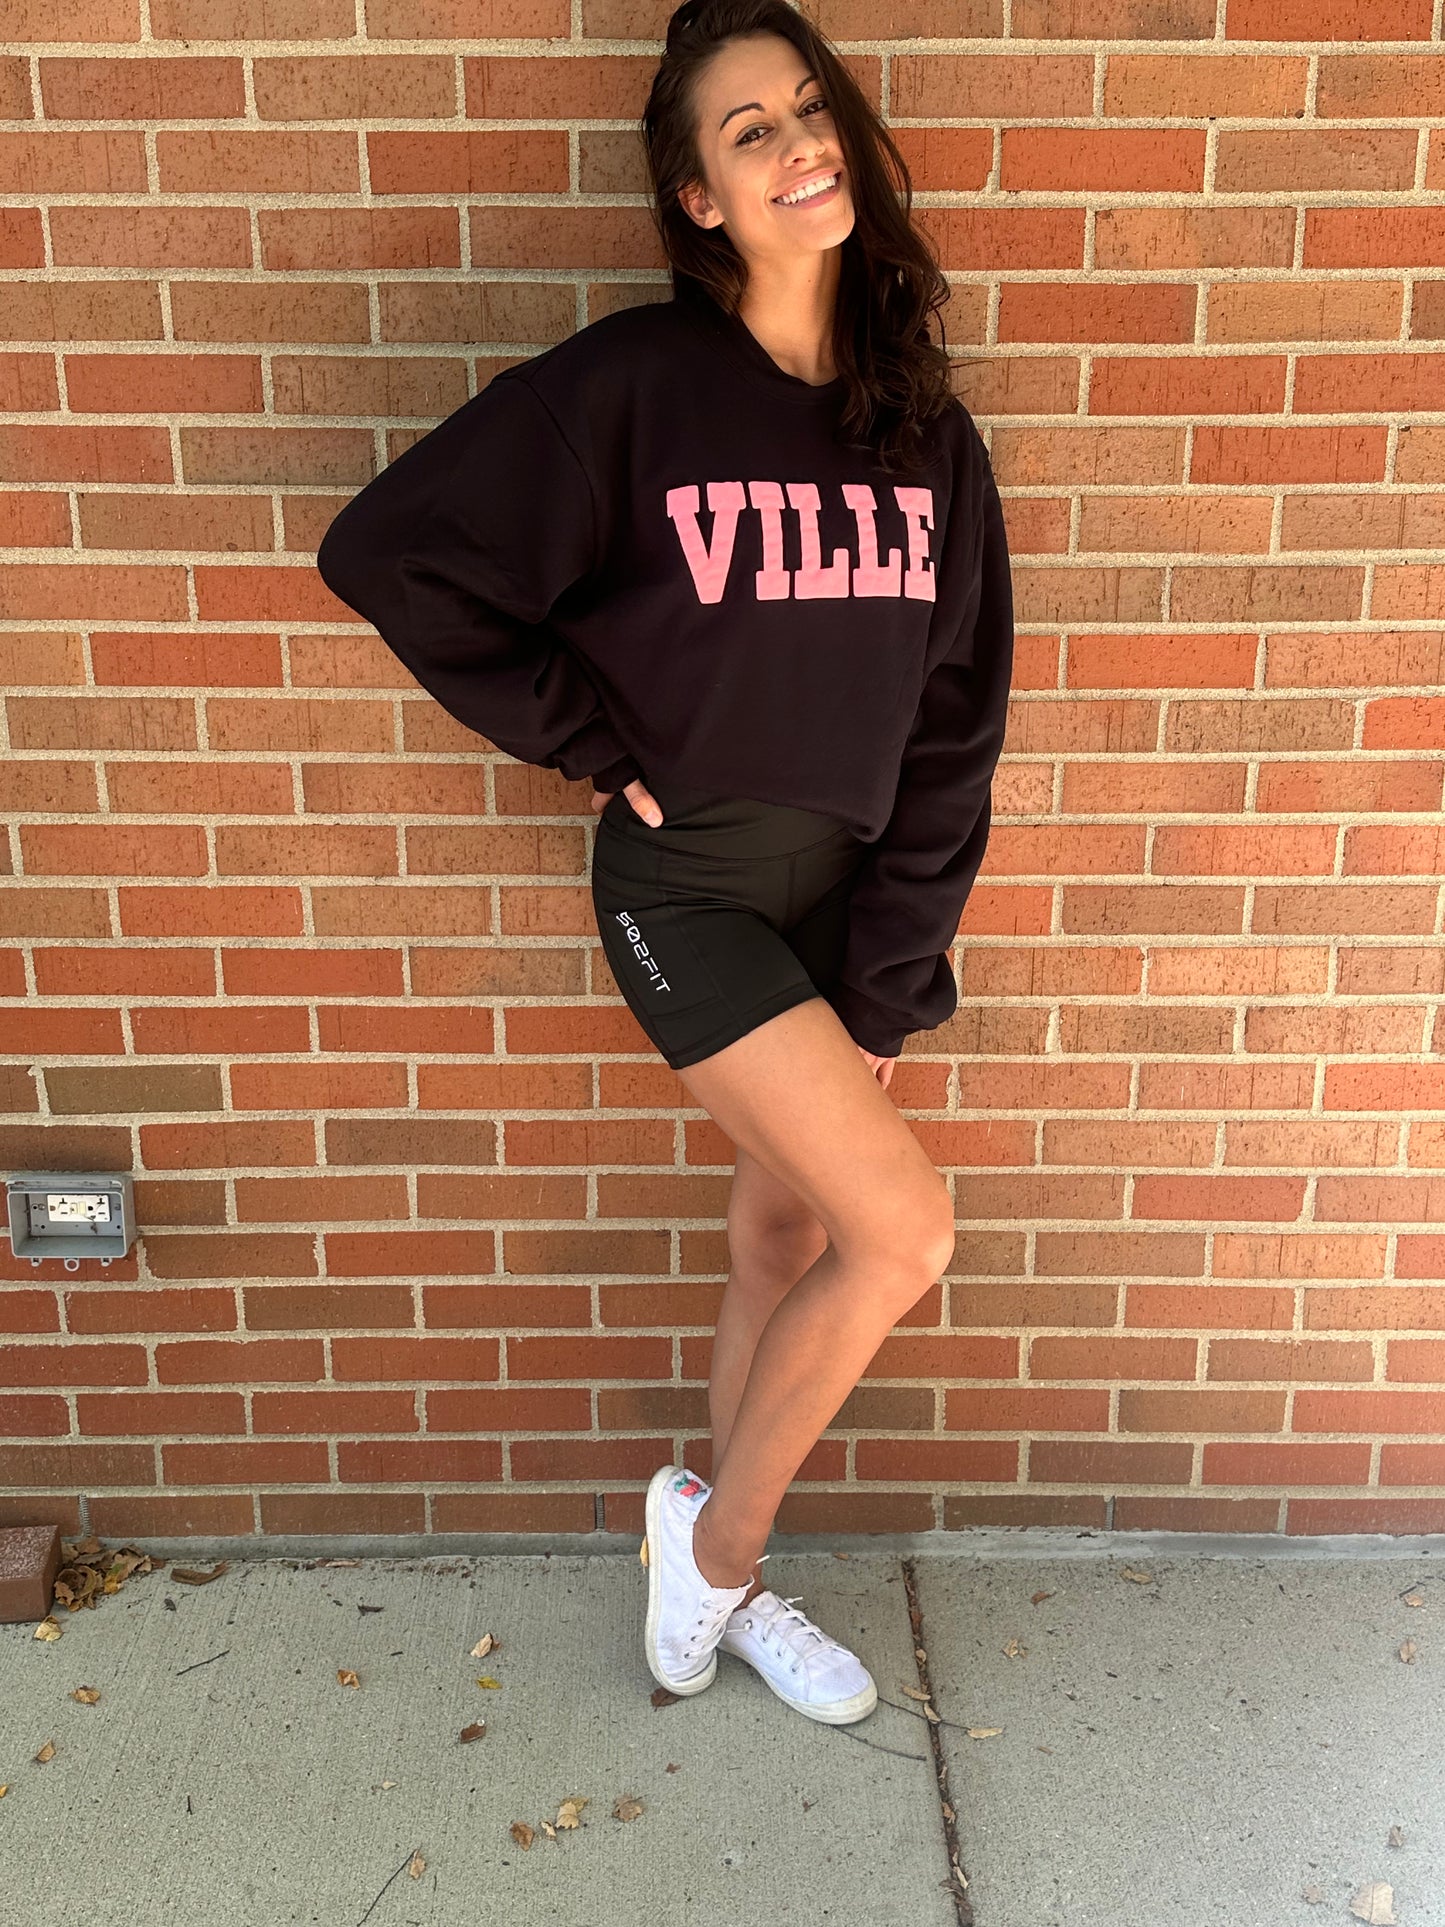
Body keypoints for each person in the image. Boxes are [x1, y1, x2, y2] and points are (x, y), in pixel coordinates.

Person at [315, 0, 1014, 1729]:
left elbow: (952, 730)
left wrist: (887, 978)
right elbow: (390, 552)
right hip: (686, 892)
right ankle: (712, 1554)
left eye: (807, 110)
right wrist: (589, 739)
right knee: (903, 1230)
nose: (796, 147)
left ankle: (727, 1576)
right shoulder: (632, 388)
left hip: (841, 902)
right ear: (698, 196)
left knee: (785, 1230)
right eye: (746, 131)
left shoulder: (922, 429)